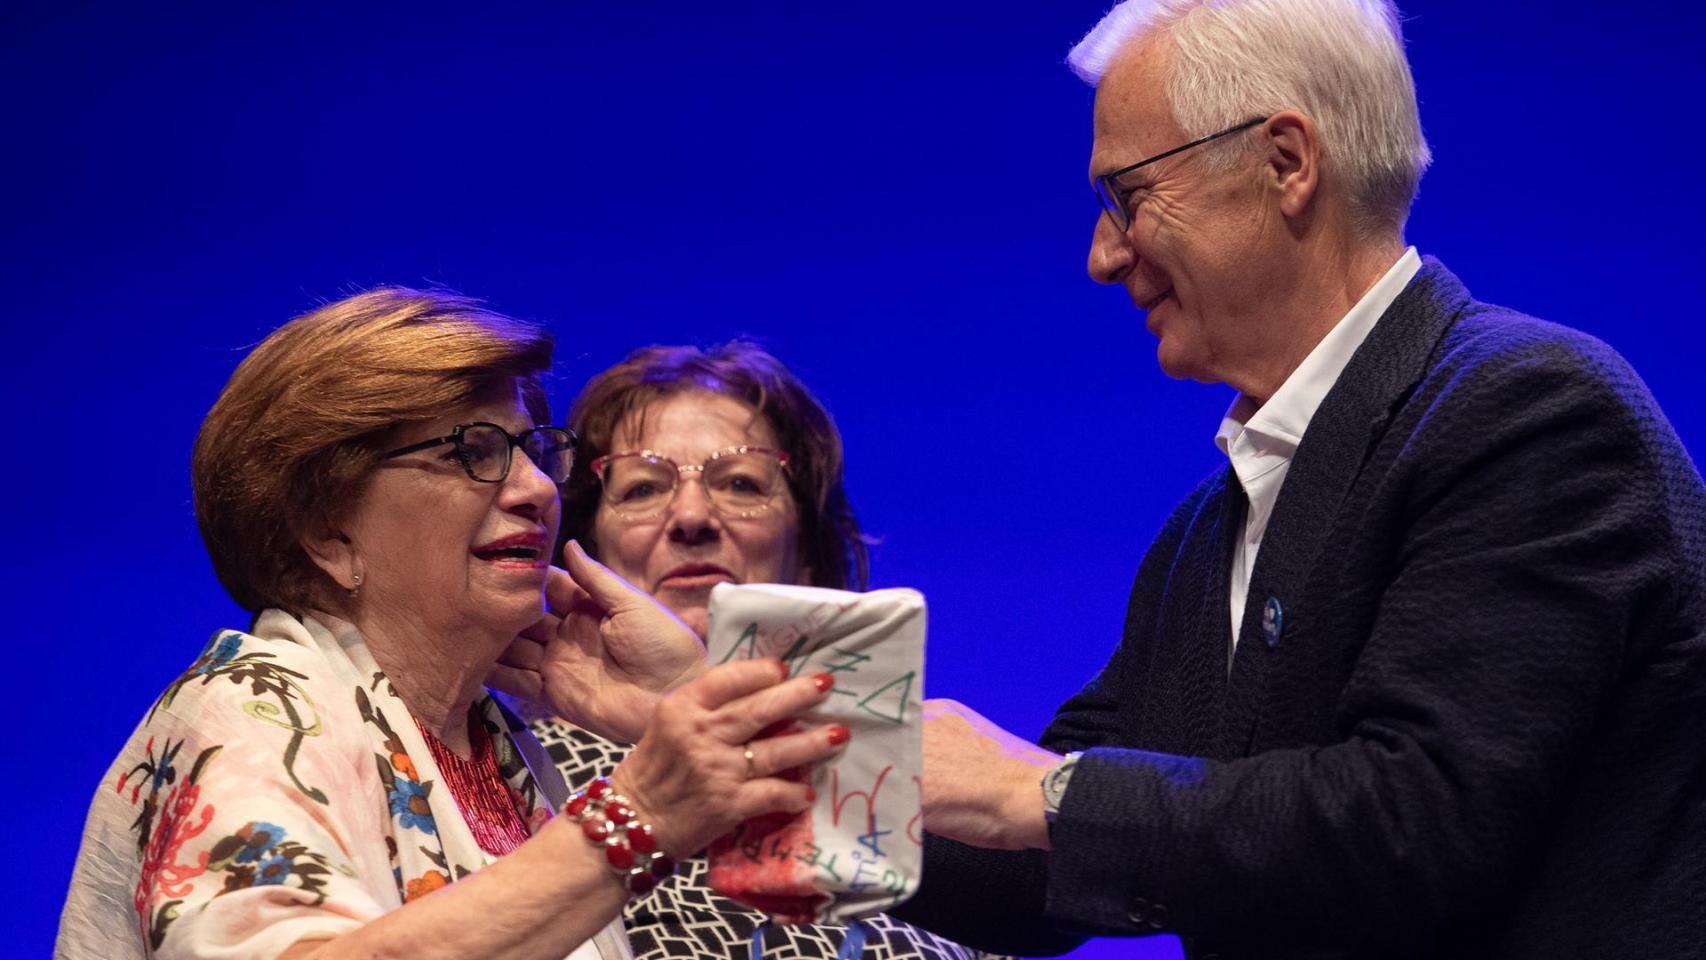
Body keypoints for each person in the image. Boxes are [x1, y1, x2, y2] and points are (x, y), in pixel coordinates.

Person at [893, 2, 1706, 959]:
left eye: (1127, 195)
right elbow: (1042, 861)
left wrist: (1030, 792)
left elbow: (1416, 822)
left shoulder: (1533, 411)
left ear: (1286, 163)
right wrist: (752, 762)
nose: (1103, 256)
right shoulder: (1203, 537)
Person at [58, 289, 849, 960]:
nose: (538, 489)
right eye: (474, 451)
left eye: (534, 450)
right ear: (326, 531)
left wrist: (680, 697)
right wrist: (636, 819)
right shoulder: (252, 708)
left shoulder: (501, 743)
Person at [505, 342, 998, 960]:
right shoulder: (514, 775)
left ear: (811, 552)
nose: (690, 516)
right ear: (581, 549)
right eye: (641, 489)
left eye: (739, 482)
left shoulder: (916, 779)